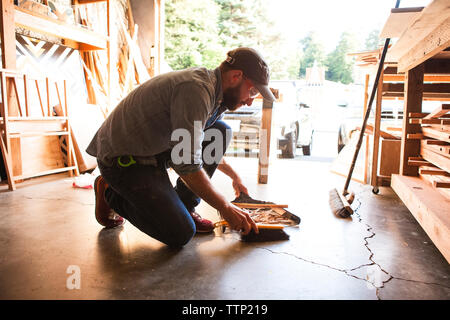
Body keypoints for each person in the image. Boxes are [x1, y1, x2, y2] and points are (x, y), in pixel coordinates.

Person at [86, 47, 276, 247]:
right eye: (252, 91)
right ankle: (110, 192)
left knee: (219, 131)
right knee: (180, 233)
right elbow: (186, 162)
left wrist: (234, 176)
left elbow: (192, 145)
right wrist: (226, 208)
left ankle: (185, 206)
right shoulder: (195, 90)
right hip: (124, 160)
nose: (249, 101)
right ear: (236, 76)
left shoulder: (217, 98)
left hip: (154, 150)